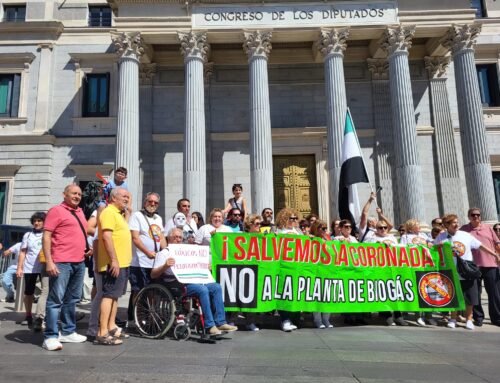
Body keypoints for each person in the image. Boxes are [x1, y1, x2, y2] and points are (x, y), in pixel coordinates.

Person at [151, 228, 237, 335]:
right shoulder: (163, 253)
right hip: (174, 284)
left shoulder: (186, 252)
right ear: (169, 238)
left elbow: (193, 266)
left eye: (180, 238)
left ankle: (220, 322)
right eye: (175, 237)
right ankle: (209, 325)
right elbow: (153, 274)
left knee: (216, 287)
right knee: (202, 290)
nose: (178, 240)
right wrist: (165, 266)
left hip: (191, 281)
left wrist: (204, 267)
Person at [42, 185, 91, 351]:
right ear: (64, 194)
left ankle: (68, 331)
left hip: (79, 261)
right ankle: (50, 336)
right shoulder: (56, 210)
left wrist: (86, 247)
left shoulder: (79, 212)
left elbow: (80, 233)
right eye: (74, 193)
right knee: (55, 300)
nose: (77, 196)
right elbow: (47, 236)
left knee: (72, 299)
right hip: (61, 261)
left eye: (79, 194)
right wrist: (49, 261)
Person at [434, 213, 499, 330]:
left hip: (467, 270)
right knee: (453, 295)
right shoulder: (441, 236)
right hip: (450, 270)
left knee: (470, 295)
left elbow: (480, 246)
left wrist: (494, 254)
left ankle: (469, 319)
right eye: (454, 222)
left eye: (457, 222)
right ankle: (453, 318)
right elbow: (433, 250)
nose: (457, 224)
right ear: (447, 225)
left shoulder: (465, 235)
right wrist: (439, 245)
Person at [96, 188, 132, 345]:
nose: (127, 199)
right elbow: (106, 236)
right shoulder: (109, 212)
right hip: (114, 263)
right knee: (109, 295)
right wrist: (114, 260)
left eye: (128, 197)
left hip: (123, 262)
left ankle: (111, 326)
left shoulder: (118, 214)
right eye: (124, 196)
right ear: (113, 198)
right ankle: (102, 332)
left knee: (115, 296)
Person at [127, 192, 167, 328]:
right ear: (145, 202)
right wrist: (147, 252)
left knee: (151, 291)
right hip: (140, 261)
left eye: (156, 203)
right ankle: (135, 318)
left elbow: (161, 237)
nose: (153, 204)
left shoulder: (158, 218)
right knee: (138, 291)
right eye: (150, 201)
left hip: (154, 262)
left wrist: (166, 252)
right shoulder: (137, 216)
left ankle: (149, 316)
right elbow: (135, 238)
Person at [460, 208, 500, 327]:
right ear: (469, 216)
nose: (476, 217)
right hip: (472, 267)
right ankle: (478, 317)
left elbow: (497, 244)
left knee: (494, 293)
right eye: (473, 215)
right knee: (475, 293)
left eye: (478, 215)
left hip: (490, 265)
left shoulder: (487, 228)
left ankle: (497, 318)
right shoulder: (463, 230)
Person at [366, 220, 407, 326]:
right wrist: (378, 244)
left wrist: (391, 244)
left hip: (393, 269)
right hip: (379, 269)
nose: (383, 229)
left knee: (395, 292)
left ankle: (398, 316)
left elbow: (400, 248)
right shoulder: (372, 238)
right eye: (380, 228)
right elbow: (365, 249)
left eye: (385, 227)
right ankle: (387, 316)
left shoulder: (392, 237)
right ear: (376, 229)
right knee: (383, 293)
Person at [16, 212, 47, 330]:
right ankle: (28, 315)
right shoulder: (28, 235)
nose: (36, 223)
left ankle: (41, 317)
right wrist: (19, 267)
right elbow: (23, 252)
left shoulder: (48, 234)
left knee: (46, 291)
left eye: (39, 220)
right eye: (35, 221)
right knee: (28, 292)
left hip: (44, 267)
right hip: (30, 268)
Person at [274, 207, 302, 331]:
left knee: (295, 293)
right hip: (284, 268)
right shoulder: (279, 231)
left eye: (296, 218)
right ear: (285, 219)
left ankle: (293, 319)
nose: (294, 220)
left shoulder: (299, 232)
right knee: (284, 293)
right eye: (292, 218)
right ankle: (285, 319)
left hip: (297, 268)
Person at [242, 214, 263, 331]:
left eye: (259, 224)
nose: (259, 226)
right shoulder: (241, 237)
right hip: (243, 270)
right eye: (257, 224)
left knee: (253, 297)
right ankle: (232, 319)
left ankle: (250, 322)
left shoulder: (263, 237)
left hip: (257, 270)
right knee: (239, 296)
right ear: (249, 225)